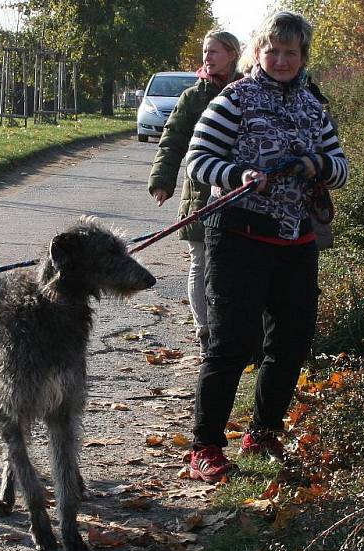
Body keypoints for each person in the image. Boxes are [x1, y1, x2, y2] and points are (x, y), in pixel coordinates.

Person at [183, 11, 349, 482]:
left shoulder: (314, 108)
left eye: (290, 53)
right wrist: (239, 175)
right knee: (232, 343)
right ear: (258, 53)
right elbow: (198, 160)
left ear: (302, 57)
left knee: (292, 340)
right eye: (272, 51)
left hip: (296, 238)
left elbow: (341, 167)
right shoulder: (233, 99)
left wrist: (316, 164)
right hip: (237, 235)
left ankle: (263, 430)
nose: (280, 60)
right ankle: (206, 447)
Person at [148, 30, 242, 359]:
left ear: (232, 54)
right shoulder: (192, 97)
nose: (207, 57)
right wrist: (162, 180)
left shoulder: (247, 91)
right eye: (205, 51)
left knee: (231, 264)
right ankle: (204, 330)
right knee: (199, 260)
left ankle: (231, 328)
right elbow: (172, 140)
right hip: (200, 192)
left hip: (237, 191)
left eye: (214, 51)